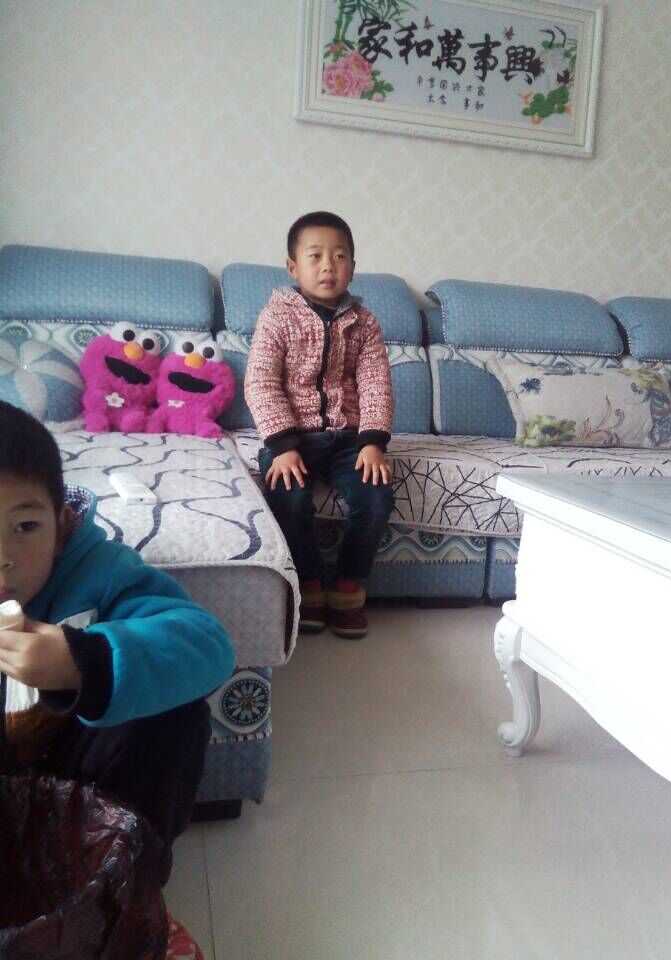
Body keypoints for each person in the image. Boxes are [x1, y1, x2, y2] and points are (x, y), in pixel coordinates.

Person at [0, 400, 234, 884]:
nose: (3, 557)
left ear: (61, 526)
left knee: (174, 715)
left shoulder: (101, 572)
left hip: (82, 790)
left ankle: (123, 885)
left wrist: (83, 662)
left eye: (25, 527)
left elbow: (208, 644)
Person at [245, 211, 394, 639]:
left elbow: (376, 382)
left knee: (376, 495)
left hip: (350, 439)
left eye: (340, 256)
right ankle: (309, 584)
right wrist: (283, 445)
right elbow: (261, 381)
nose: (328, 265)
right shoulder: (277, 316)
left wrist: (372, 441)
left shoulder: (364, 322)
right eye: (315, 256)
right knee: (288, 497)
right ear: (293, 267)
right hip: (293, 439)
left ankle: (347, 588)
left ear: (353, 267)